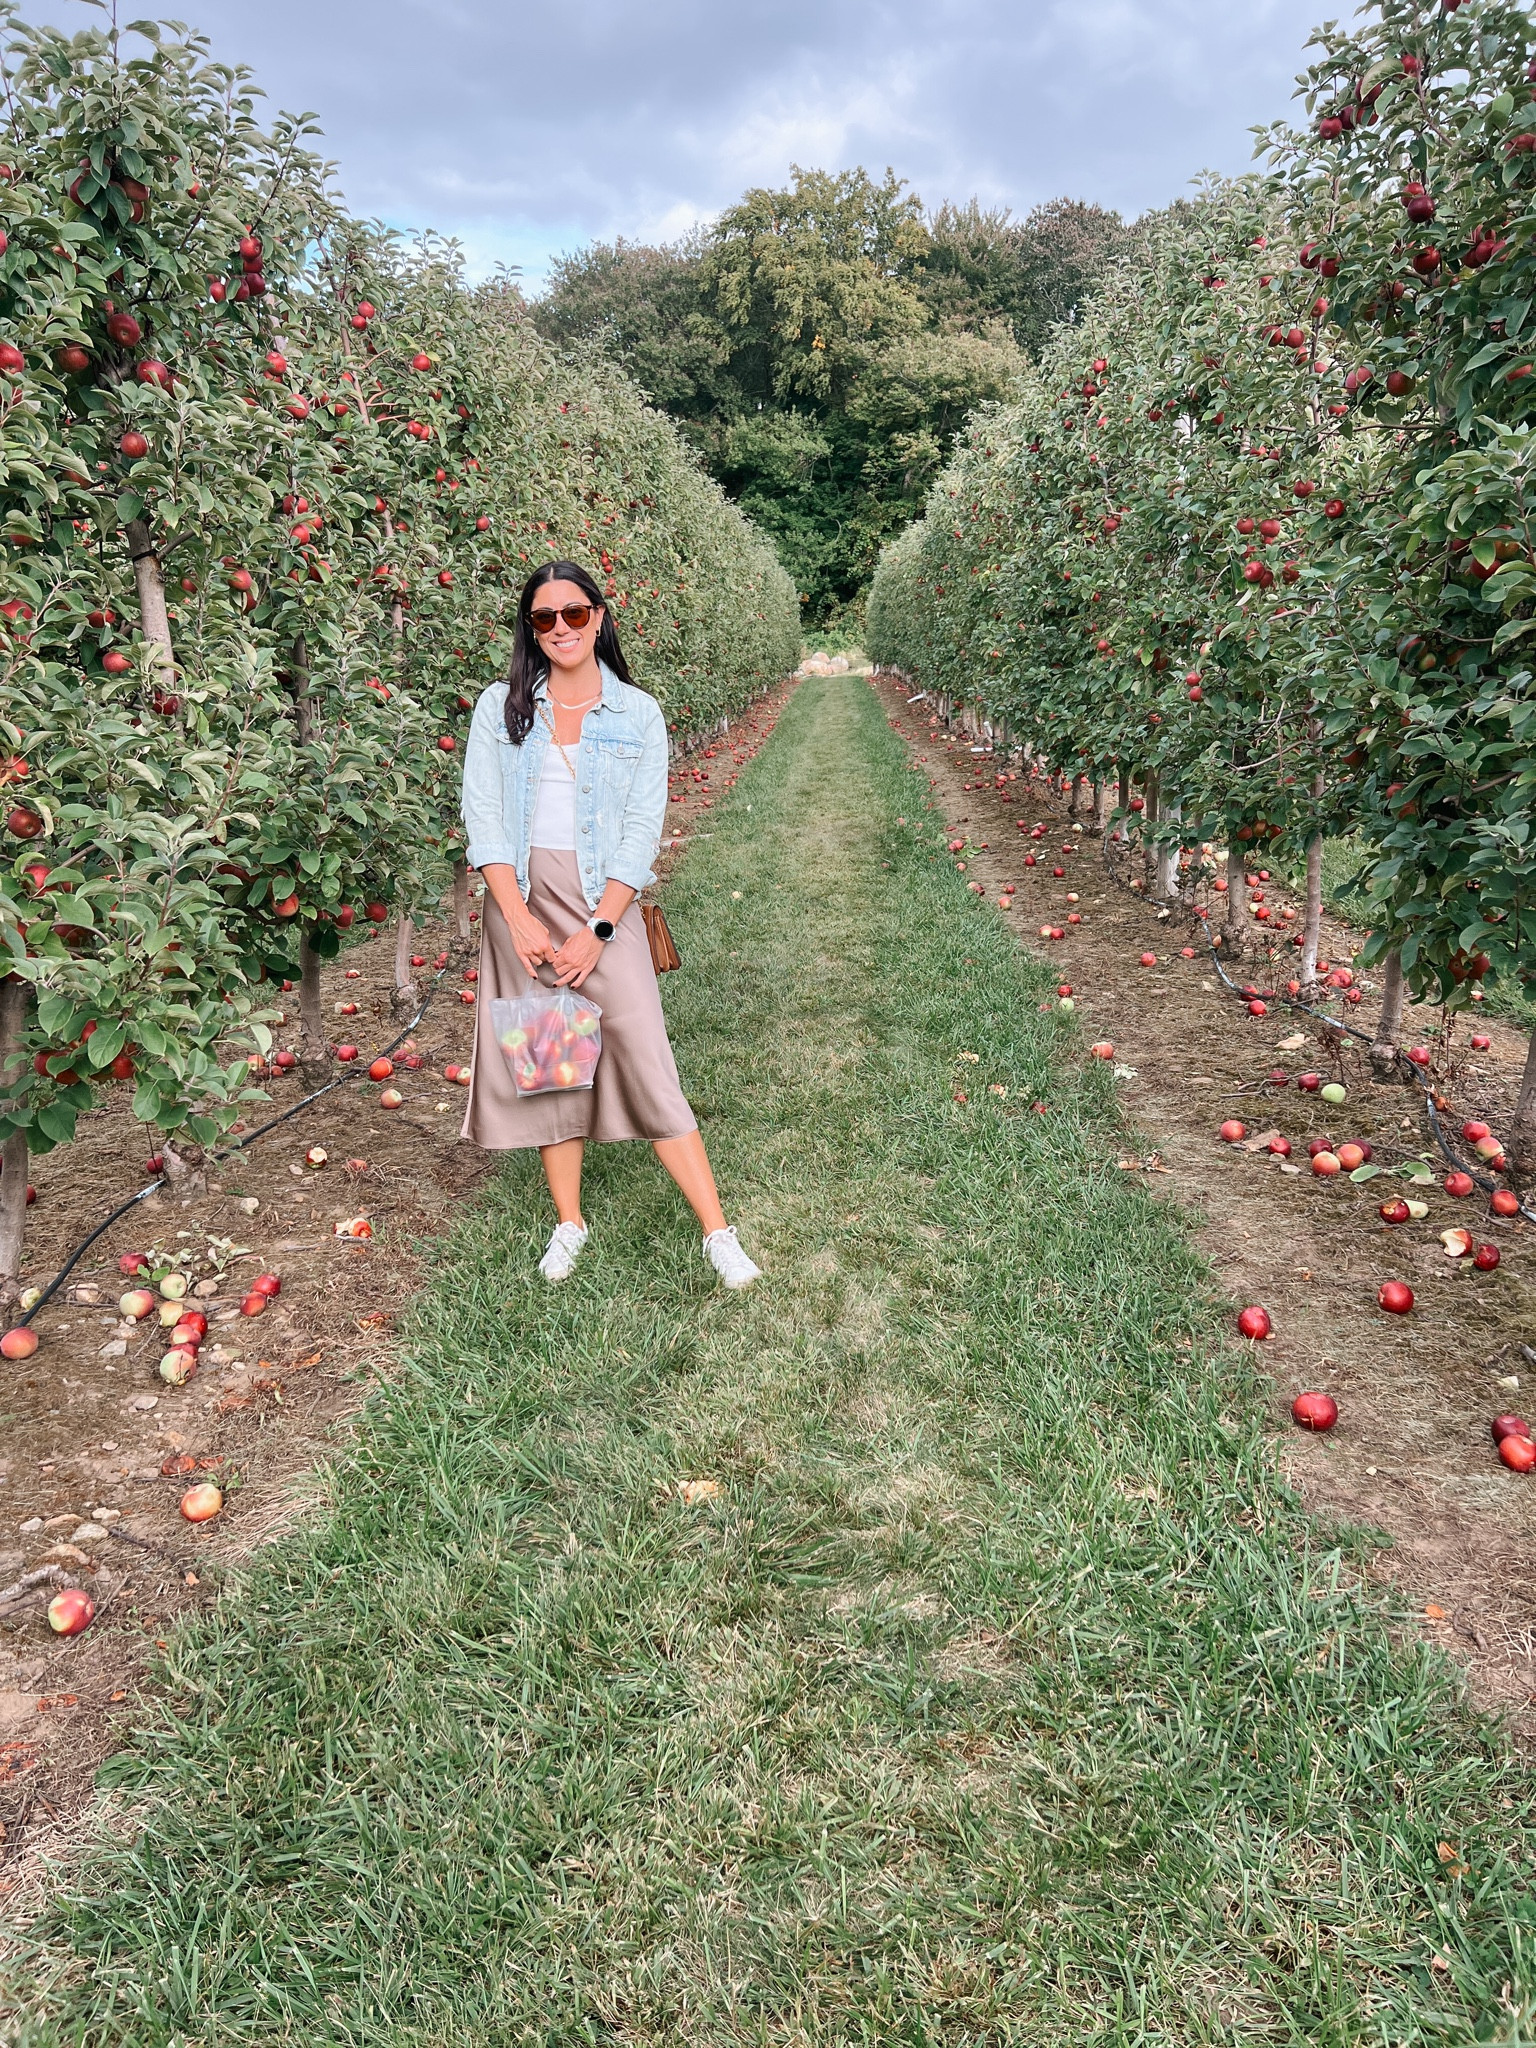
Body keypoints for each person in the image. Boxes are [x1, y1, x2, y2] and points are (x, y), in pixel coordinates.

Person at [459, 559, 762, 1289]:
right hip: (523, 901)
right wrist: (519, 920)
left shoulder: (638, 713)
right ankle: (571, 1222)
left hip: (603, 906)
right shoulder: (501, 708)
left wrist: (598, 931)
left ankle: (716, 1233)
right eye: (543, 617)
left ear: (599, 616)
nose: (560, 627)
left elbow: (639, 831)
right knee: (554, 1066)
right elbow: (485, 818)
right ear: (531, 629)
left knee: (645, 1056)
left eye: (574, 612)